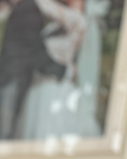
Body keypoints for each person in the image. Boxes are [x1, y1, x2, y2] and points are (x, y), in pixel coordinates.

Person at [17, 0, 107, 140]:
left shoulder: (78, 21)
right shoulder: (53, 26)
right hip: (36, 90)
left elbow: (43, 6)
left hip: (54, 90)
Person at [0, 0, 68, 140]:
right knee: (2, 137)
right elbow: (35, 52)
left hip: (0, 82)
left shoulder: (21, 7)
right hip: (9, 82)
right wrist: (63, 71)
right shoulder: (29, 8)